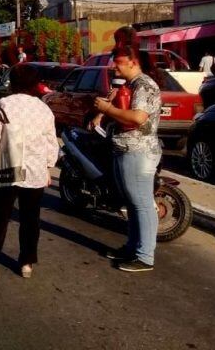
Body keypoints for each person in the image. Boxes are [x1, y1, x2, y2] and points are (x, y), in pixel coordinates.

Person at [0, 64, 58, 280]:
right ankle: (27, 262)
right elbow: (51, 142)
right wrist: (47, 168)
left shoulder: (4, 104)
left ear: (13, 83)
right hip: (34, 170)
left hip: (8, 167)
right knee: (31, 218)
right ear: (35, 84)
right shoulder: (44, 109)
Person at [94, 45, 162, 273]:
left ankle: (145, 256)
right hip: (128, 150)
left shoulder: (143, 85)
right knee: (133, 204)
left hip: (138, 151)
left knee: (142, 204)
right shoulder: (132, 86)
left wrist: (107, 108)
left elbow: (138, 117)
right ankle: (133, 247)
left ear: (133, 62)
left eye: (119, 62)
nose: (114, 66)